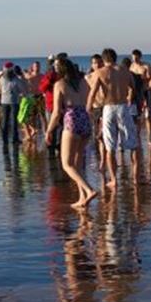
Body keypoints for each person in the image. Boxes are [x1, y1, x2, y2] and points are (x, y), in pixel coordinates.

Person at [46, 58, 97, 209]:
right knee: (77, 163)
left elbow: (56, 113)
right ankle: (82, 197)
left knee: (67, 164)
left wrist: (49, 130)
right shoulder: (83, 82)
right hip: (85, 118)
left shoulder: (59, 85)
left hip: (72, 119)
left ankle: (89, 190)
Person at [87, 48, 138, 188]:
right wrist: (128, 98)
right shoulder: (125, 71)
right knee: (133, 144)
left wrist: (88, 109)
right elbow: (133, 88)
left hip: (108, 108)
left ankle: (114, 180)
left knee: (110, 147)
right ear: (115, 58)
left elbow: (92, 93)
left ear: (103, 60)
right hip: (122, 106)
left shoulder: (100, 72)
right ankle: (135, 178)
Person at [0, 62, 26, 145]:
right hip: (13, 102)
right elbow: (22, 89)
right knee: (12, 121)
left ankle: (5, 138)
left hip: (6, 101)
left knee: (6, 120)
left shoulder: (1, 79)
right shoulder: (16, 79)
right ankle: (14, 139)